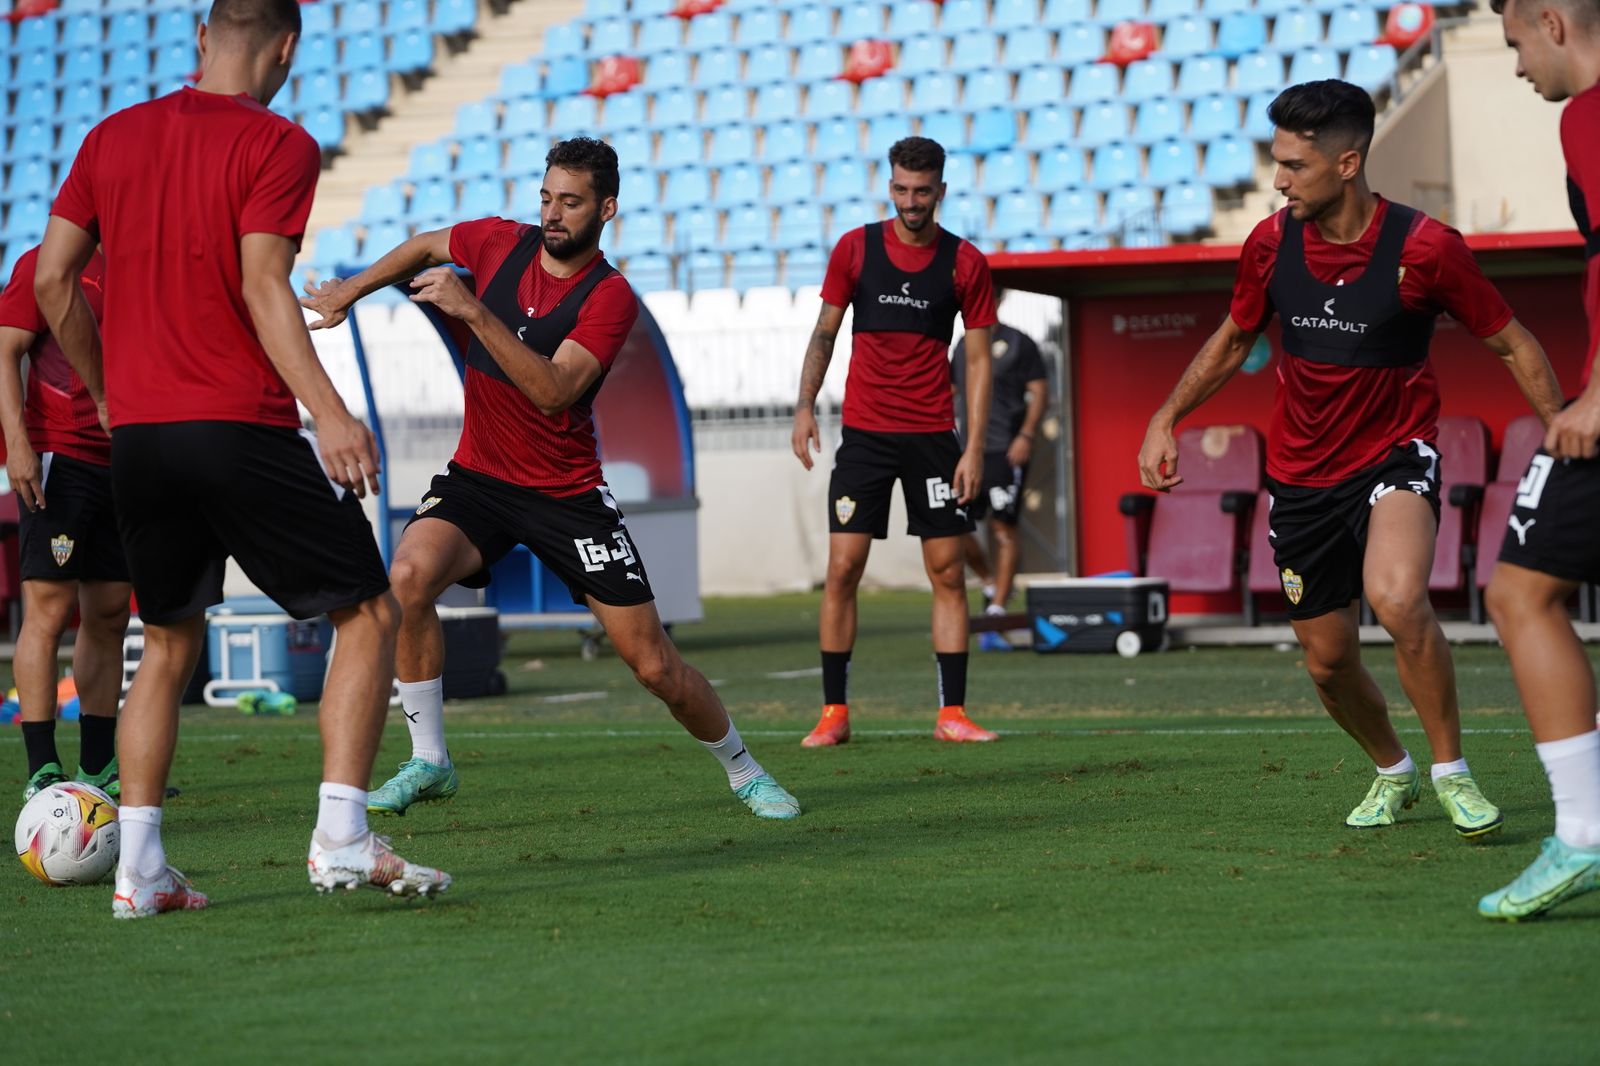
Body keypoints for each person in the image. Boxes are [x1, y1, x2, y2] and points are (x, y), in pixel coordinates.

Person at [34, 0, 449, 918]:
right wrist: (331, 413)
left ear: (199, 37)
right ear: (288, 46)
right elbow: (265, 283)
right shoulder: (279, 144)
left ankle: (139, 873)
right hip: (236, 428)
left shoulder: (110, 137)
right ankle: (342, 835)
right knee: (370, 611)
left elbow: (52, 281)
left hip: (135, 439)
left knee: (170, 643)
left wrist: (105, 392)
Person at [299, 137, 801, 821]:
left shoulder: (610, 295)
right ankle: (429, 761)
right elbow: (424, 245)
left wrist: (475, 312)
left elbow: (555, 390)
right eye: (546, 198)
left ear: (607, 209)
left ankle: (744, 770)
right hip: (479, 478)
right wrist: (352, 292)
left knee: (655, 666)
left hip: (566, 497)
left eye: (570, 202)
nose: (553, 214)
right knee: (407, 581)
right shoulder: (499, 243)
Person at [1136, 80, 1564, 839]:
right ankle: (1393, 771)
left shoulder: (1427, 248)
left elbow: (1510, 340)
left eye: (1294, 165)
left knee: (1397, 598)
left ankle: (1452, 774)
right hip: (1300, 478)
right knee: (1327, 662)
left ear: (1347, 163)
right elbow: (1235, 339)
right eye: (1277, 162)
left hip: (1395, 456)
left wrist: (1562, 431)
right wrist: (1167, 416)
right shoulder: (1269, 244)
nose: (1278, 180)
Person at [791, 136, 999, 747]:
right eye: (902, 190)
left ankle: (951, 713)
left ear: (941, 190)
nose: (912, 201)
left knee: (949, 572)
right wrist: (804, 407)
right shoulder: (855, 249)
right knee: (842, 569)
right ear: (891, 186)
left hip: (935, 438)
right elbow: (824, 333)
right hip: (865, 438)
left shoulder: (965, 263)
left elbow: (980, 362)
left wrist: (975, 447)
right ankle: (834, 714)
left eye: (923, 191)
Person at [1479, 0, 1600, 920]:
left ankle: (1584, 834)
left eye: (1515, 41)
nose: (1518, 64)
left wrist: (1597, 395)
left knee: (1521, 591)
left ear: (1551, 21)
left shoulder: (1591, 116)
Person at [0, 245, 131, 802]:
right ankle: (43, 770)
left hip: (129, 459)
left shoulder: (145, 261)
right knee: (49, 611)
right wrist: (18, 448)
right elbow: (5, 351)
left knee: (108, 613)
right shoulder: (47, 262)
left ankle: (98, 766)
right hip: (59, 453)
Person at [950, 305, 1048, 649]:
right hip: (966, 451)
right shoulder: (962, 345)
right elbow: (951, 392)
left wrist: (1026, 435)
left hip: (1005, 450)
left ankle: (996, 608)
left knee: (1003, 527)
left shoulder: (1019, 342)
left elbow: (1039, 391)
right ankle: (991, 581)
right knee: (954, 527)